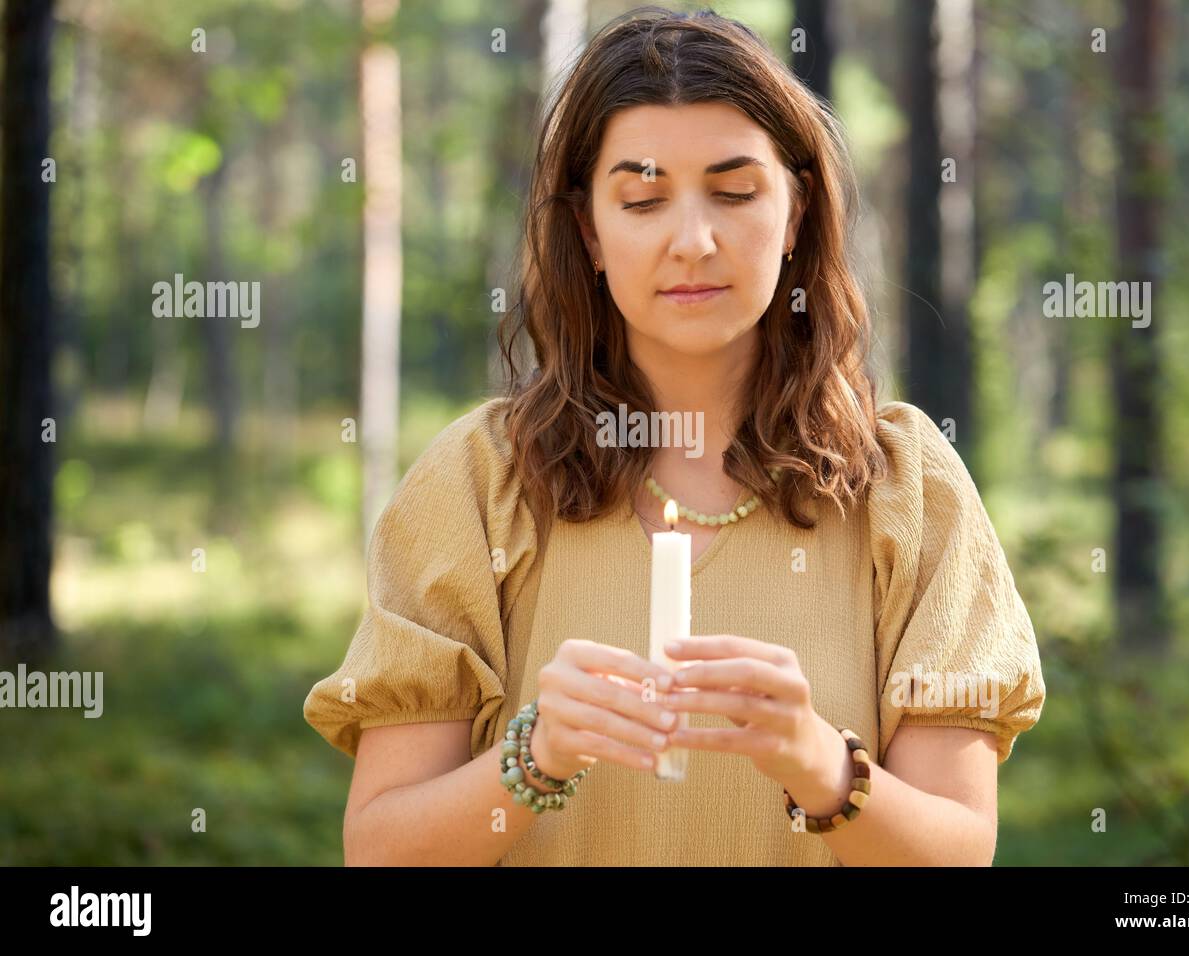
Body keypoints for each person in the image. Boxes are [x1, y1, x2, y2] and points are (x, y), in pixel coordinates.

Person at [304, 6, 1045, 866]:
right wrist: (533, 758)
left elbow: (960, 854)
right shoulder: (482, 478)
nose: (693, 241)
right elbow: (379, 852)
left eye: (735, 193)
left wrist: (819, 765)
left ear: (797, 211)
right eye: (644, 199)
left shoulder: (905, 485)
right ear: (590, 231)